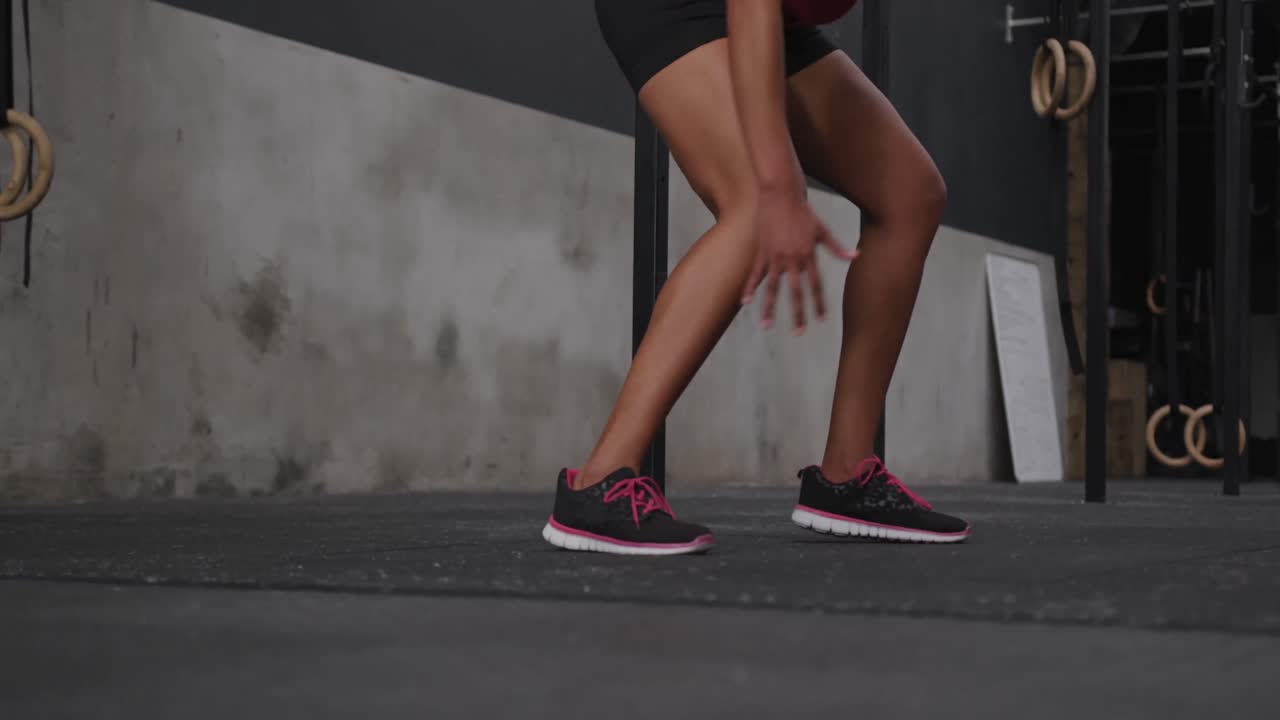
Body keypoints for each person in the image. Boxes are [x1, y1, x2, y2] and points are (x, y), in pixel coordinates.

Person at [541, 0, 971, 555]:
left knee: (910, 192)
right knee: (752, 208)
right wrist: (777, 183)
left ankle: (846, 475)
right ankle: (599, 483)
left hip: (772, 20)